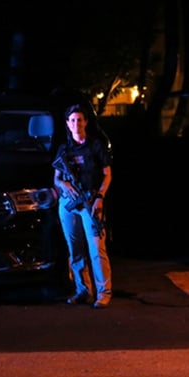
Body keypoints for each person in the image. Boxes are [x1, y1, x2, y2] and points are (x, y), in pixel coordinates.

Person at [53, 104, 113, 308]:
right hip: (69, 203)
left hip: (91, 201)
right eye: (72, 120)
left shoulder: (95, 146)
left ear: (85, 122)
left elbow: (107, 174)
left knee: (97, 248)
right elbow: (57, 178)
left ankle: (104, 292)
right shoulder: (64, 149)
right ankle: (82, 290)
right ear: (67, 124)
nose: (76, 124)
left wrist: (100, 197)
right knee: (75, 249)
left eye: (79, 120)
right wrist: (64, 183)